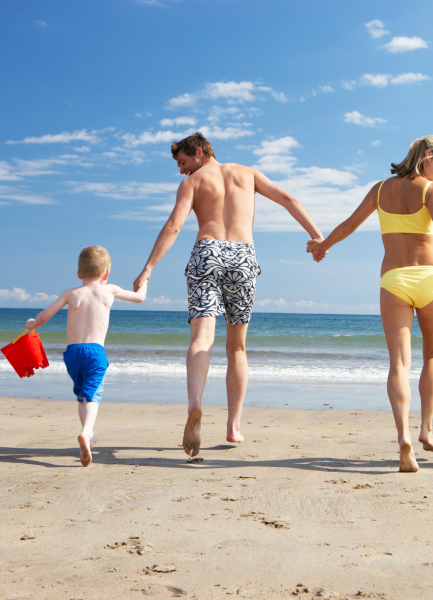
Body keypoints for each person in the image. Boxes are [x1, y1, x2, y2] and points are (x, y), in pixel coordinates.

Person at [133, 133, 324, 457]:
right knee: (236, 346)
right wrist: (317, 236)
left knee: (201, 339)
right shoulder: (247, 173)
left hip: (207, 253)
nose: (181, 171)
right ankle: (234, 425)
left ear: (198, 151)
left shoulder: (193, 183)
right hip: (243, 257)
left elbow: (174, 226)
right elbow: (288, 199)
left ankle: (195, 405)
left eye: (182, 163)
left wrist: (149, 267)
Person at [308, 135, 433, 472]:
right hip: (430, 278)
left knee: (399, 365)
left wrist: (323, 245)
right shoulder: (431, 190)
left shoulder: (380, 189)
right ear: (429, 156)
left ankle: (404, 436)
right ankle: (426, 429)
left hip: (394, 280)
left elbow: (349, 225)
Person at [25, 246, 148, 466]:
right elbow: (139, 298)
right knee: (94, 396)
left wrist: (33, 324)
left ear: (79, 273)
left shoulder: (71, 293)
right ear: (106, 274)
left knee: (82, 395)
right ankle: (87, 432)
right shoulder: (109, 290)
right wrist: (145, 280)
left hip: (72, 354)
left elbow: (45, 315)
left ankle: (88, 438)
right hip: (95, 353)